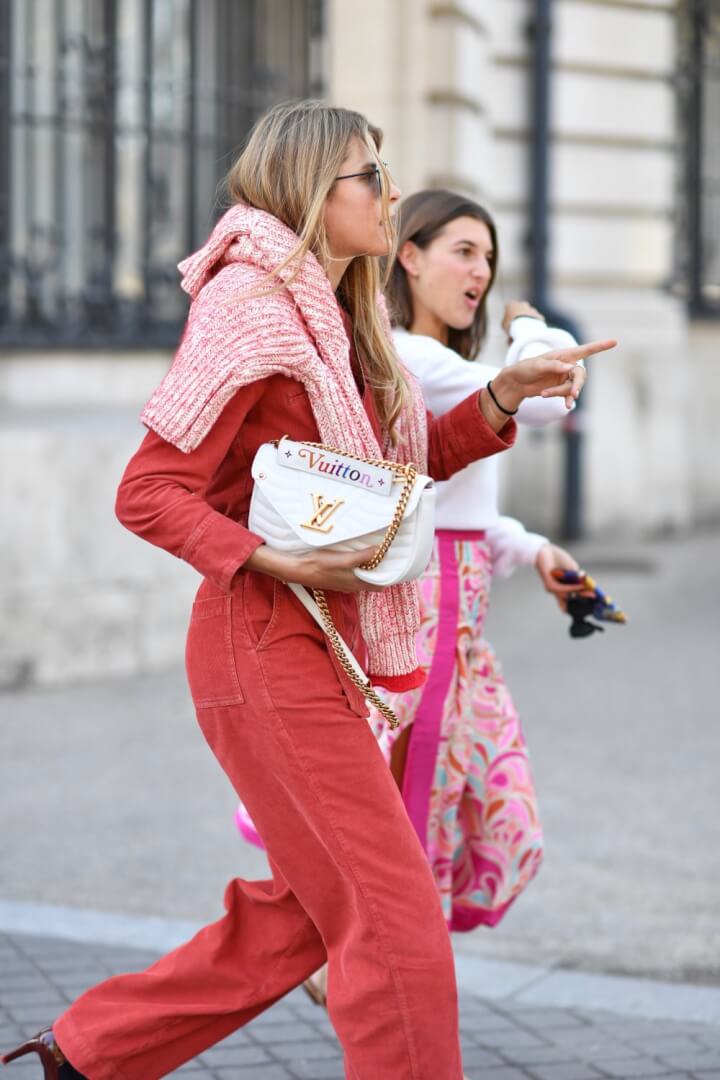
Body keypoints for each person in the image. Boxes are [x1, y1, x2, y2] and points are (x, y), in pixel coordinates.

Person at [1, 104, 613, 1080]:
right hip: (262, 646)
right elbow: (149, 490)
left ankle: (86, 1055)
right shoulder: (249, 302)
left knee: (305, 912)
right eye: (371, 176)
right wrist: (274, 560)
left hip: (326, 645)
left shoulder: (342, 316)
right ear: (310, 190)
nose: (390, 192)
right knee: (391, 911)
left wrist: (501, 397)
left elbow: (403, 474)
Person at [374, 188, 591, 934]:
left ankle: (356, 956)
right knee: (419, 810)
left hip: (460, 630)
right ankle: (375, 966)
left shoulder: (435, 363)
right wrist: (527, 322)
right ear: (408, 255)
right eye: (463, 251)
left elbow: (464, 511)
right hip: (426, 619)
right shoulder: (410, 356)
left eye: (489, 258)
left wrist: (532, 550)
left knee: (496, 816)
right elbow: (544, 398)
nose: (481, 272)